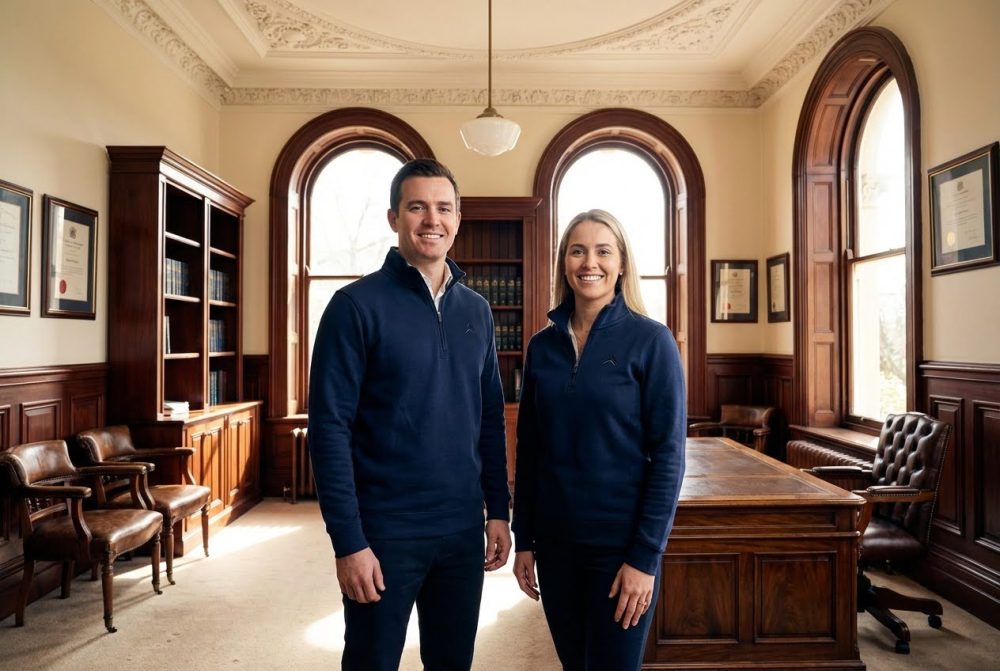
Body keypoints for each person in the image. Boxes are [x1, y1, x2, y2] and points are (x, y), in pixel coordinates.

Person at [308, 158, 511, 671]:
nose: (432, 219)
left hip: (461, 529)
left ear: (458, 218)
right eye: (417, 207)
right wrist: (348, 542)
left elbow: (489, 419)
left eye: (444, 208)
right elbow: (329, 431)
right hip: (384, 533)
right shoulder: (353, 307)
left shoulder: (477, 311)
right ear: (394, 218)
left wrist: (498, 511)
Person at [511, 209, 686, 671]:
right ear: (564, 264)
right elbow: (530, 451)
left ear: (622, 263)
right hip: (555, 545)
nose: (590, 262)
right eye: (578, 251)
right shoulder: (542, 347)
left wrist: (644, 559)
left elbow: (669, 459)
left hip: (620, 549)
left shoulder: (653, 342)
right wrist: (523, 538)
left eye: (603, 251)